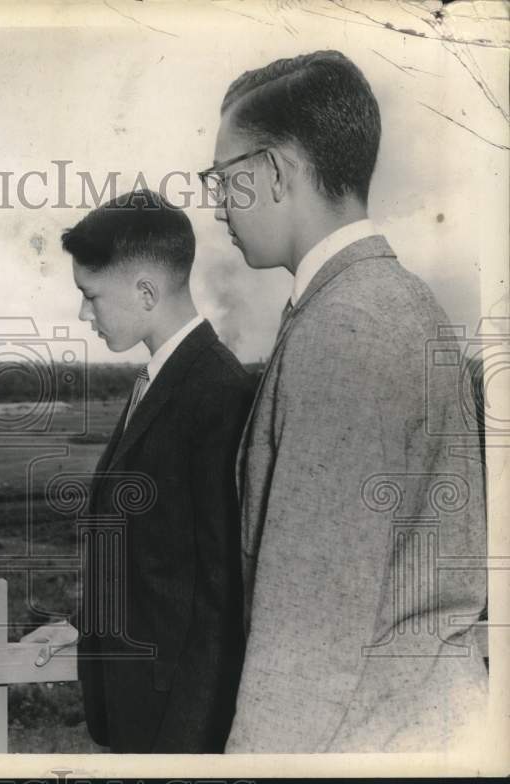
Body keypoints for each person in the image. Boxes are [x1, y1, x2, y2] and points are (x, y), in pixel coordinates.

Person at [202, 50, 488, 752]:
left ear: (274, 173)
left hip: (368, 737)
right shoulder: (399, 300)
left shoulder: (344, 330)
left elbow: (306, 643)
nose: (217, 205)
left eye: (224, 179)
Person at [23, 190, 255, 752]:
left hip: (176, 729)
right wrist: (84, 623)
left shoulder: (219, 393)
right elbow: (150, 554)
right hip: (134, 710)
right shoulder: (159, 380)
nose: (84, 314)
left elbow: (219, 600)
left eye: (90, 295)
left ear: (146, 291)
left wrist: (182, 749)